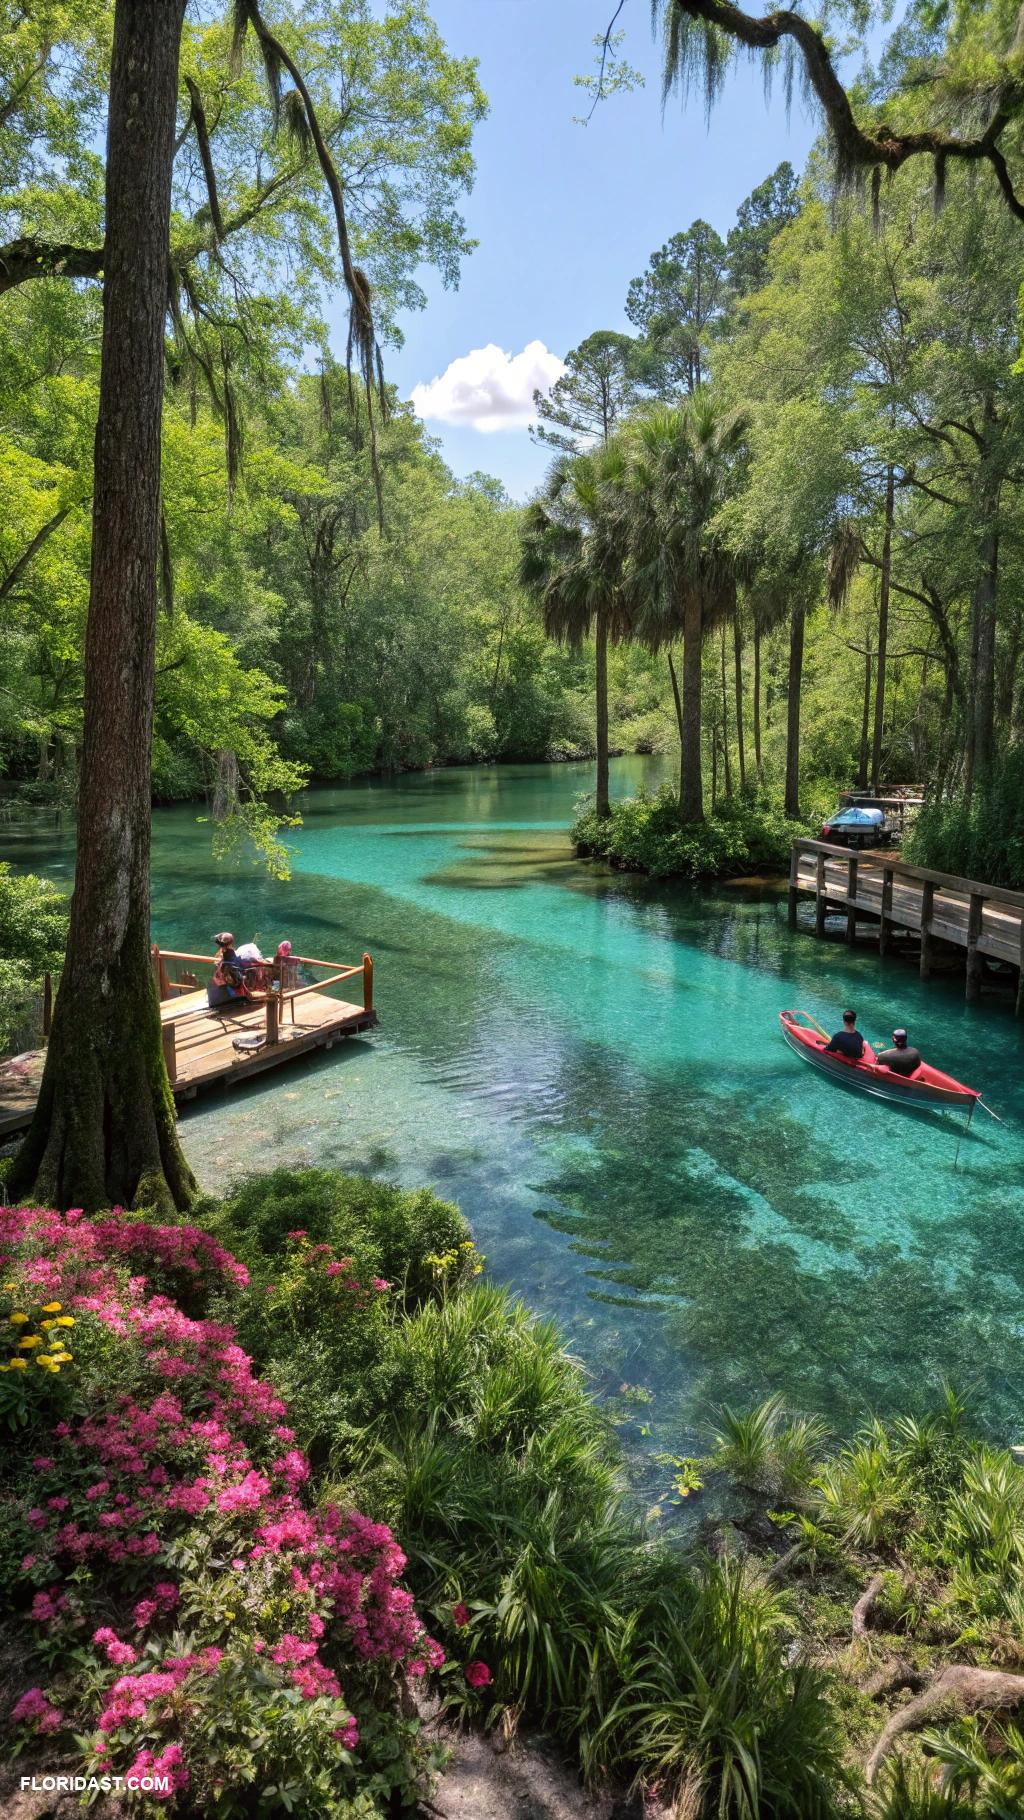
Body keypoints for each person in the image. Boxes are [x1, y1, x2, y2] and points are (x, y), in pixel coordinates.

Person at [207, 932, 246, 1008]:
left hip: (225, 986)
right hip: (234, 981)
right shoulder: (233, 953)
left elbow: (217, 968)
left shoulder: (221, 956)